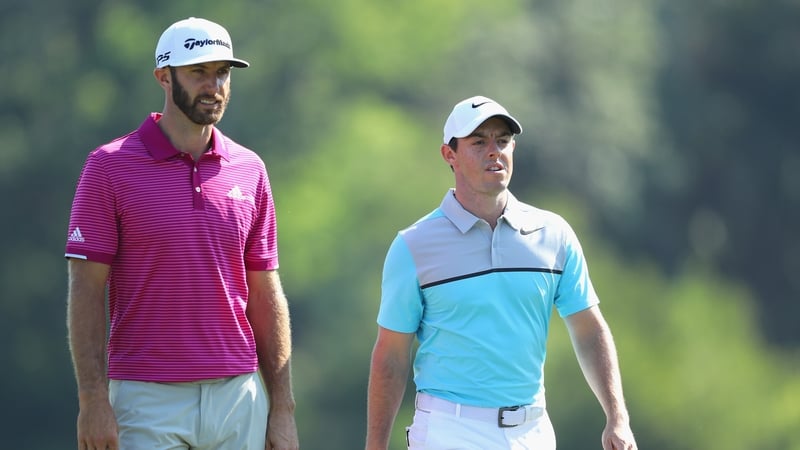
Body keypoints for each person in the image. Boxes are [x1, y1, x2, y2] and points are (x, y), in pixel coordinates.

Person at [65, 17, 299, 450]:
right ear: (164, 77)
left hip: (238, 395)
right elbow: (86, 290)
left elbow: (265, 291)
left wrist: (282, 408)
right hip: (146, 396)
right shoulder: (108, 167)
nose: (214, 86)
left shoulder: (249, 168)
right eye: (198, 72)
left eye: (222, 73)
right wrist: (92, 399)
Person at [366, 96, 637, 450]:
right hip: (449, 429)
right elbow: (391, 355)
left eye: (503, 140)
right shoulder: (414, 245)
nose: (494, 151)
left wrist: (617, 417)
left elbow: (589, 330)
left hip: (532, 430)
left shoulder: (553, 234)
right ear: (449, 155)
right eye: (479, 142)